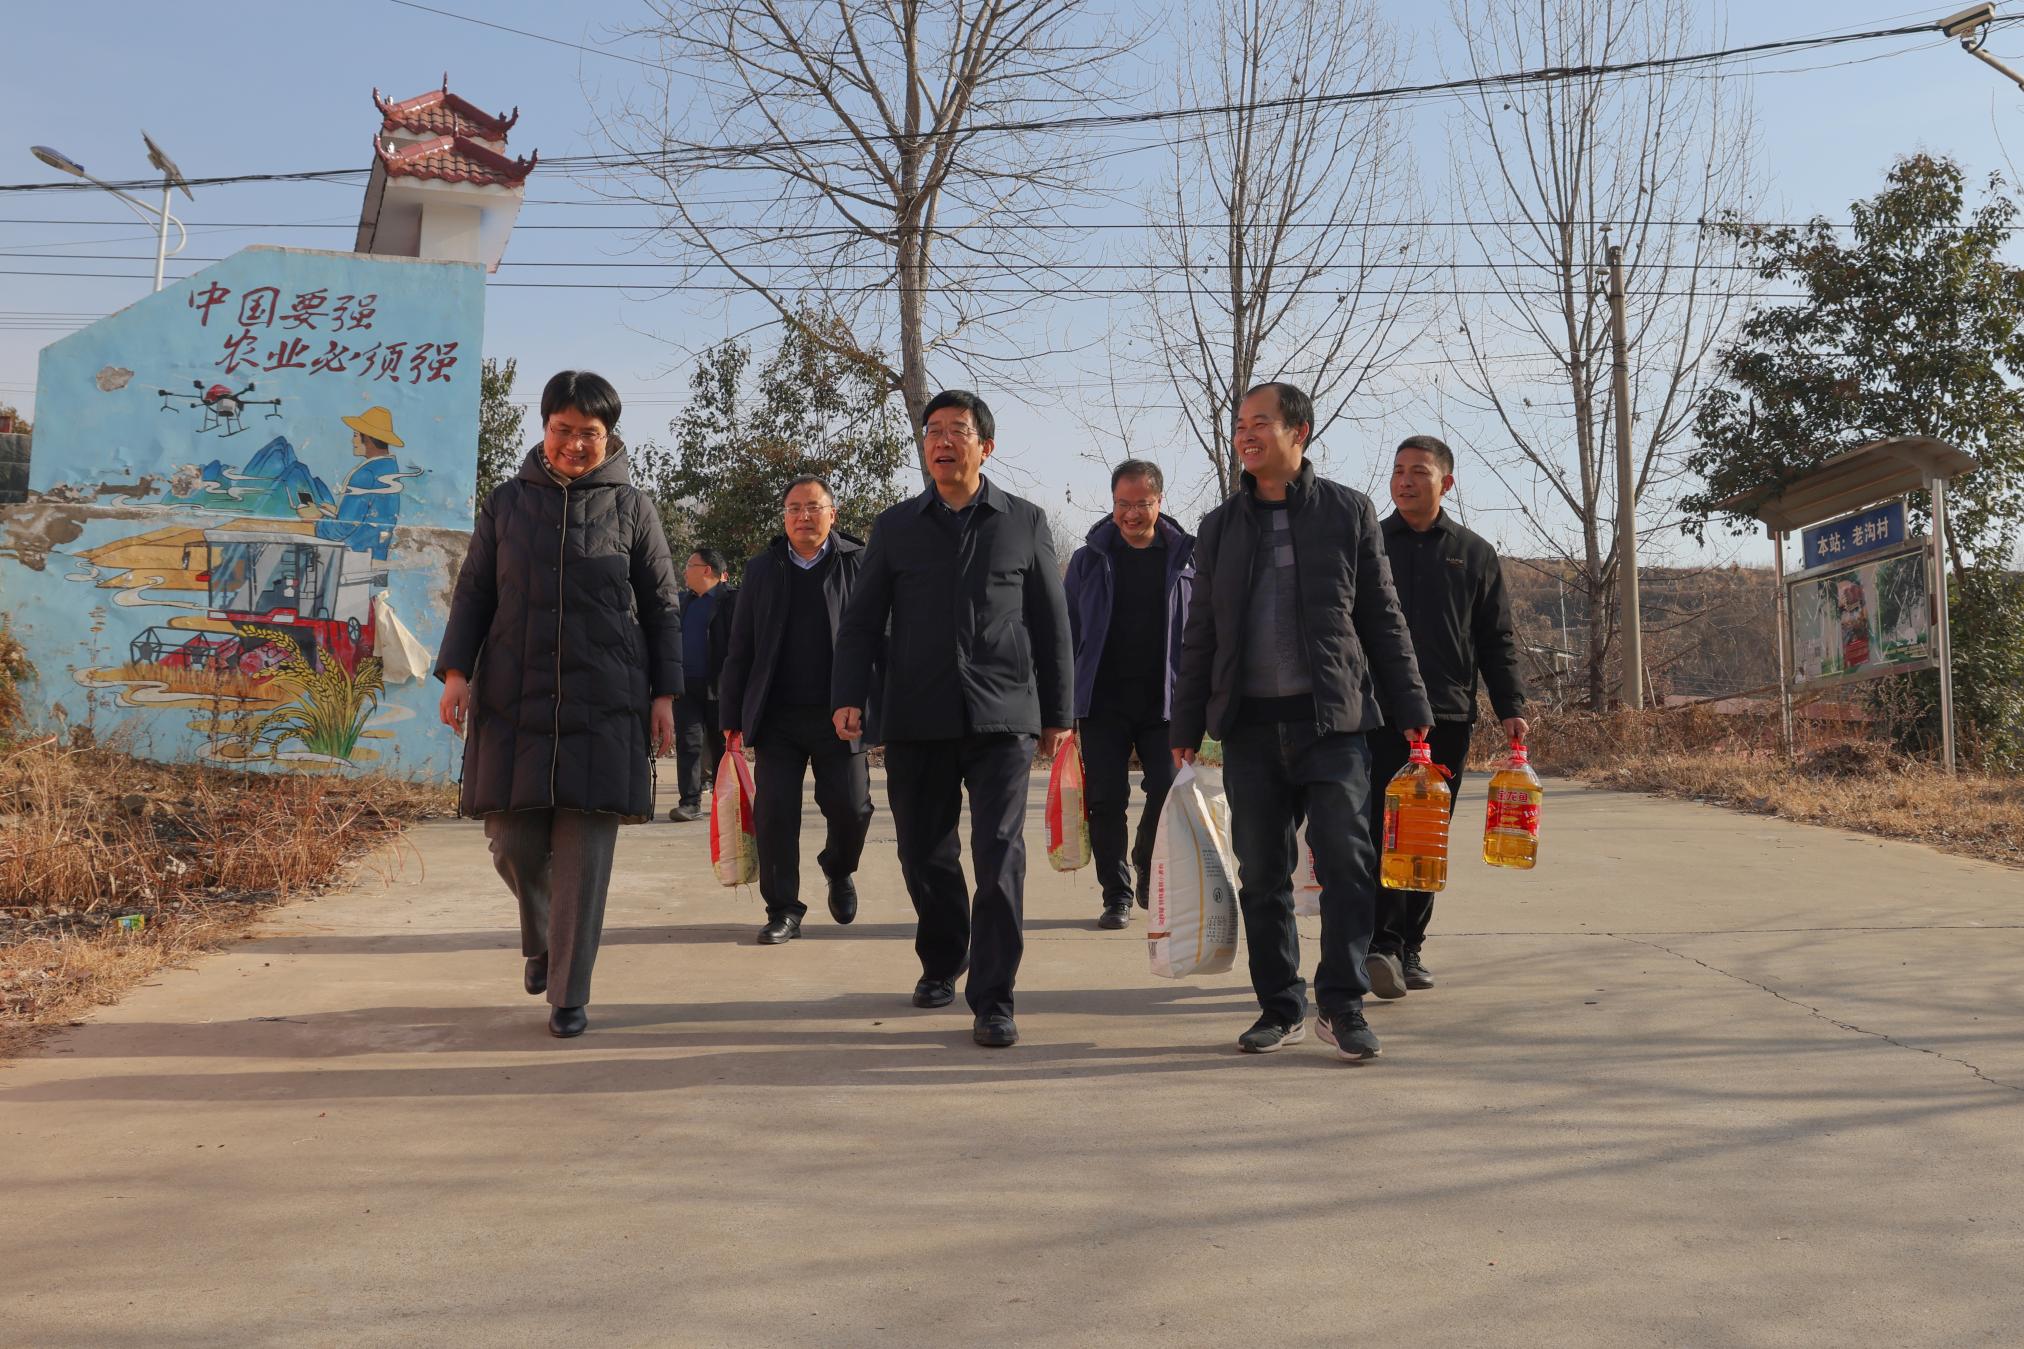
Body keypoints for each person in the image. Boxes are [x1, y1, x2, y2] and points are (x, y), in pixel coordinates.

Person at [1169, 381, 1431, 1062]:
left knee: (1348, 863)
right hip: (1250, 728)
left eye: (1261, 422)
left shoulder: (1347, 511)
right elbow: (1201, 633)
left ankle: (1342, 1004)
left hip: (1333, 724)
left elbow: (1382, 617)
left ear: (1299, 431)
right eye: (1240, 425)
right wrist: (1184, 725)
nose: (1246, 435)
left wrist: (1412, 709)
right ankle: (1280, 1005)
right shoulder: (1220, 526)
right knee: (1262, 874)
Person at [435, 370, 681, 1039]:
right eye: (562, 429)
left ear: (610, 436)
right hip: (514, 697)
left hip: (605, 702)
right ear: (544, 428)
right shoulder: (506, 504)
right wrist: (456, 673)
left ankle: (569, 994)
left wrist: (664, 695)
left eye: (588, 433)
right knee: (511, 843)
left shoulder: (633, 508)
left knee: (584, 861)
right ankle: (543, 934)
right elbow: (475, 591)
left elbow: (662, 607)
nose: (574, 443)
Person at [832, 390, 1073, 1049]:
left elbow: (1051, 622)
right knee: (922, 852)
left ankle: (994, 997)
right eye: (932, 430)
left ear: (985, 446)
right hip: (917, 710)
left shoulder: (1024, 521)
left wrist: (1059, 712)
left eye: (957, 430)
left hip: (1003, 715)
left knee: (999, 854)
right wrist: (849, 694)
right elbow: (860, 620)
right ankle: (943, 959)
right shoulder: (896, 526)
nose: (942, 440)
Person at [1364, 435, 1528, 999]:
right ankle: (1380, 945)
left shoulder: (1473, 553)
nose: (1405, 481)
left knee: (1425, 835)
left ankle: (1408, 947)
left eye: (1419, 471)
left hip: (1447, 715)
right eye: (1398, 470)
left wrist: (1510, 706)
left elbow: (1496, 638)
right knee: (1378, 831)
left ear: (1446, 483)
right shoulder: (1368, 544)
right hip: (1376, 714)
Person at [718, 475, 876, 946]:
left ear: (833, 514)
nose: (803, 517)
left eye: (813, 507)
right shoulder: (762, 569)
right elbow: (740, 648)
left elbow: (879, 639)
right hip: (778, 717)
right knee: (775, 815)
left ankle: (839, 867)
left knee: (852, 807)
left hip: (841, 714)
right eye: (793, 509)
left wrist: (872, 703)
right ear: (784, 517)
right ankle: (783, 909)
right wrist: (731, 719)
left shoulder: (859, 564)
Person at [1062, 459, 1195, 930]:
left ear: (1159, 501)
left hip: (1166, 702)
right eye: (1123, 503)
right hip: (1103, 702)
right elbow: (1067, 633)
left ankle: (1144, 856)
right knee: (1105, 800)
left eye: (1141, 503)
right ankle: (1115, 893)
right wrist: (1063, 703)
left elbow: (1205, 633)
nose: (1131, 514)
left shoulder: (1187, 560)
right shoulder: (1088, 560)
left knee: (1167, 789)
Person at [668, 548, 737, 822]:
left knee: (721, 747)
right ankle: (690, 802)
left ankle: (725, 804)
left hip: (720, 687)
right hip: (686, 686)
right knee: (689, 743)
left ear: (707, 570)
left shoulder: (732, 601)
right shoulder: (682, 601)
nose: (685, 571)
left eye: (690, 565)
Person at [299, 405, 408, 561]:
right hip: (376, 556)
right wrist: (336, 512)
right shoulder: (389, 468)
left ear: (368, 438)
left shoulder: (365, 474)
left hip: (354, 559)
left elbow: (343, 527)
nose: (352, 440)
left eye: (356, 435)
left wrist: (317, 520)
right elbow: (372, 515)